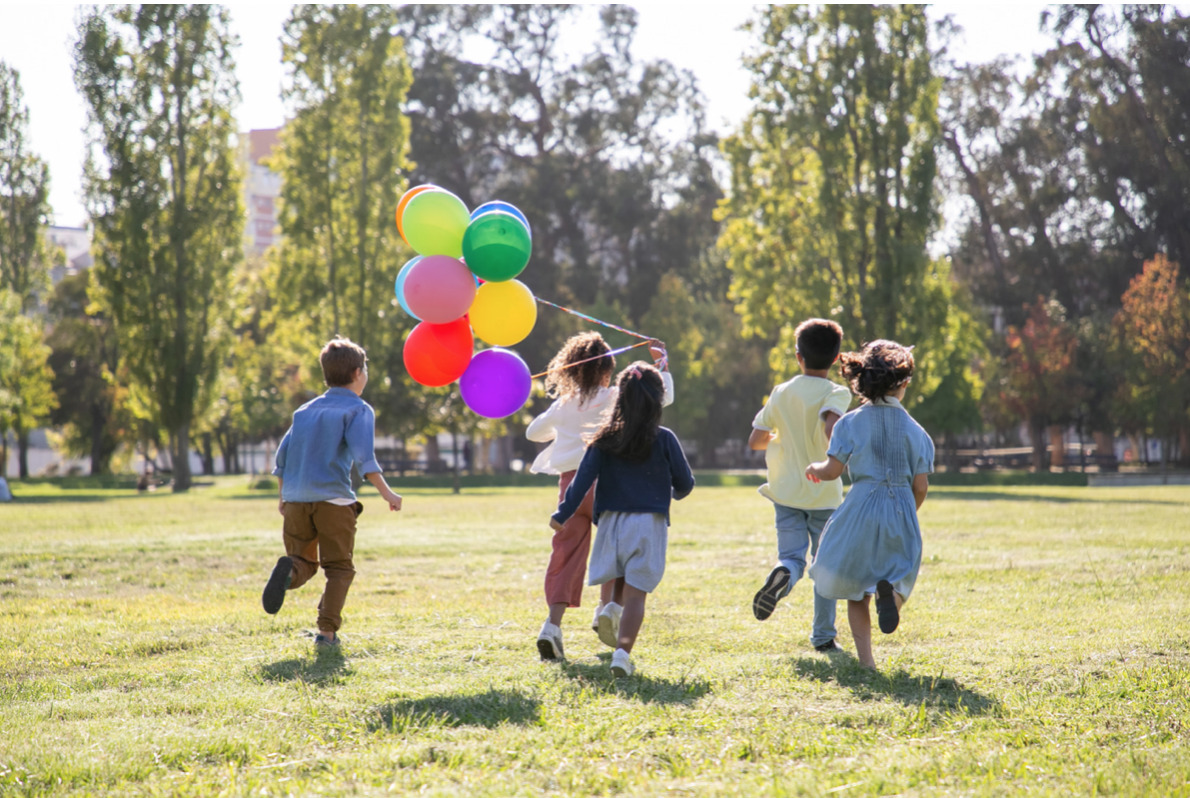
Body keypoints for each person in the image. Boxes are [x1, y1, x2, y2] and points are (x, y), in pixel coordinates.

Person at [527, 332, 673, 661]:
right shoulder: (615, 396)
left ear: (571, 370)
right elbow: (661, 398)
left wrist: (562, 420)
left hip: (571, 489)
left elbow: (533, 432)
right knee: (616, 549)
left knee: (565, 555)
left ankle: (552, 626)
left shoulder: (564, 404)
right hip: (608, 485)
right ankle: (606, 609)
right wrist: (661, 364)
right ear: (607, 370)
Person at [550, 361, 694, 677]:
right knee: (637, 595)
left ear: (620, 398)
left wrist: (562, 513)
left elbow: (581, 482)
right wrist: (672, 492)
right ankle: (621, 655)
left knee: (619, 573)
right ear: (658, 400)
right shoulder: (665, 438)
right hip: (648, 524)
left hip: (611, 523)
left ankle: (611, 608)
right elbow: (685, 483)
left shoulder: (604, 438)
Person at [261, 336, 402, 649]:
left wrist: (283, 496)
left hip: (296, 500)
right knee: (339, 568)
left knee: (302, 561)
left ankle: (289, 572)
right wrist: (388, 494)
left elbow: (282, 458)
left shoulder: (304, 411)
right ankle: (326, 633)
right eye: (365, 369)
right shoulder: (358, 409)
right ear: (357, 373)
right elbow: (365, 459)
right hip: (333, 502)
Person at [805, 339, 934, 670]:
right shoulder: (917, 432)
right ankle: (892, 598)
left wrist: (814, 468)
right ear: (904, 383)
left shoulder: (849, 423)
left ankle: (867, 663)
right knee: (901, 574)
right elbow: (920, 486)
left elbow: (832, 471)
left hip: (860, 507)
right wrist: (908, 512)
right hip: (901, 507)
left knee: (855, 589)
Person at [748, 318, 852, 652]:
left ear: (798, 356)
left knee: (791, 557)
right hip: (823, 493)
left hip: (786, 492)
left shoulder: (781, 392)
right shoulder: (837, 392)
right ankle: (823, 637)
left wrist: (782, 438)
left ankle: (783, 573)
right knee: (825, 565)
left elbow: (756, 440)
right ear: (836, 359)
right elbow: (831, 428)